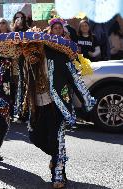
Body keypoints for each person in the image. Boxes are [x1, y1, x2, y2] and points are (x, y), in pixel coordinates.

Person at [16, 37, 95, 188]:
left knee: (56, 140)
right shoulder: (22, 61)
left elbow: (75, 79)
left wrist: (87, 100)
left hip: (57, 106)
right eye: (25, 49)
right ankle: (56, 157)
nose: (29, 53)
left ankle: (59, 176)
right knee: (35, 138)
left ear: (40, 46)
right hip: (37, 107)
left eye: (33, 48)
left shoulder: (58, 57)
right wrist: (20, 108)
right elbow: (22, 84)